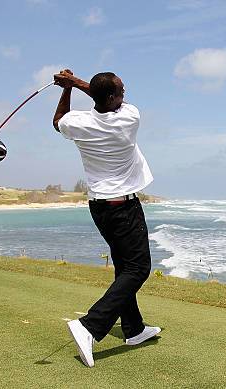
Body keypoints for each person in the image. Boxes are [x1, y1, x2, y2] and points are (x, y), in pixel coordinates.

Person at [53, 69, 160, 368]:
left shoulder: (78, 122)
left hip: (99, 207)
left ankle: (134, 329)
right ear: (113, 98)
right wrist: (74, 82)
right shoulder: (129, 118)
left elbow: (57, 121)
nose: (126, 96)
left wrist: (67, 88)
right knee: (139, 269)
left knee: (124, 266)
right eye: (121, 92)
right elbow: (100, 95)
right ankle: (90, 325)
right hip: (123, 207)